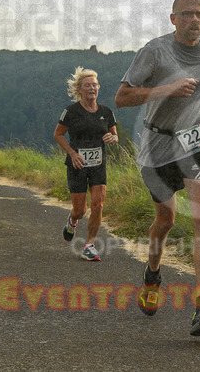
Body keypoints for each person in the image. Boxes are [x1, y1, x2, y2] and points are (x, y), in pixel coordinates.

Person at [115, 0, 200, 336]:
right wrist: (167, 89)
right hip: (158, 143)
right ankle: (152, 273)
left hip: (195, 139)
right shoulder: (155, 51)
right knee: (166, 219)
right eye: (187, 14)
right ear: (173, 19)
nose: (195, 20)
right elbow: (122, 97)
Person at [54, 67, 118, 261]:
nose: (92, 88)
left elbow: (114, 135)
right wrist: (73, 154)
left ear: (99, 88)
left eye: (94, 85)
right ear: (79, 89)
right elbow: (58, 134)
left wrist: (112, 138)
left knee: (98, 205)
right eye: (87, 85)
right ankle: (72, 221)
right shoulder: (71, 111)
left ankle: (89, 245)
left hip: (98, 164)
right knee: (80, 211)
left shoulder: (106, 112)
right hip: (77, 165)